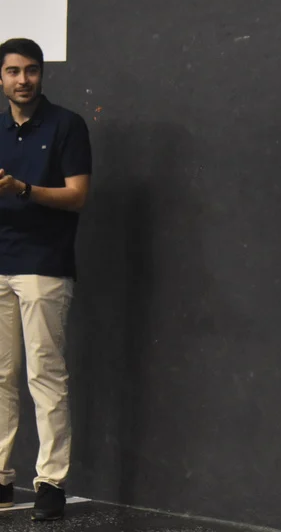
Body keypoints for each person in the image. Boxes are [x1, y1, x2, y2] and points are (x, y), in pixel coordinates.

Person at [0, 38, 92, 521]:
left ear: (42, 74)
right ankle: (1, 478)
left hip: (44, 266)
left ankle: (51, 483)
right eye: (13, 71)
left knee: (44, 374)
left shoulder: (66, 125)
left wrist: (23, 189)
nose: (23, 80)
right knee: (0, 377)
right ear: (0, 78)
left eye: (31, 70)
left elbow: (77, 195)